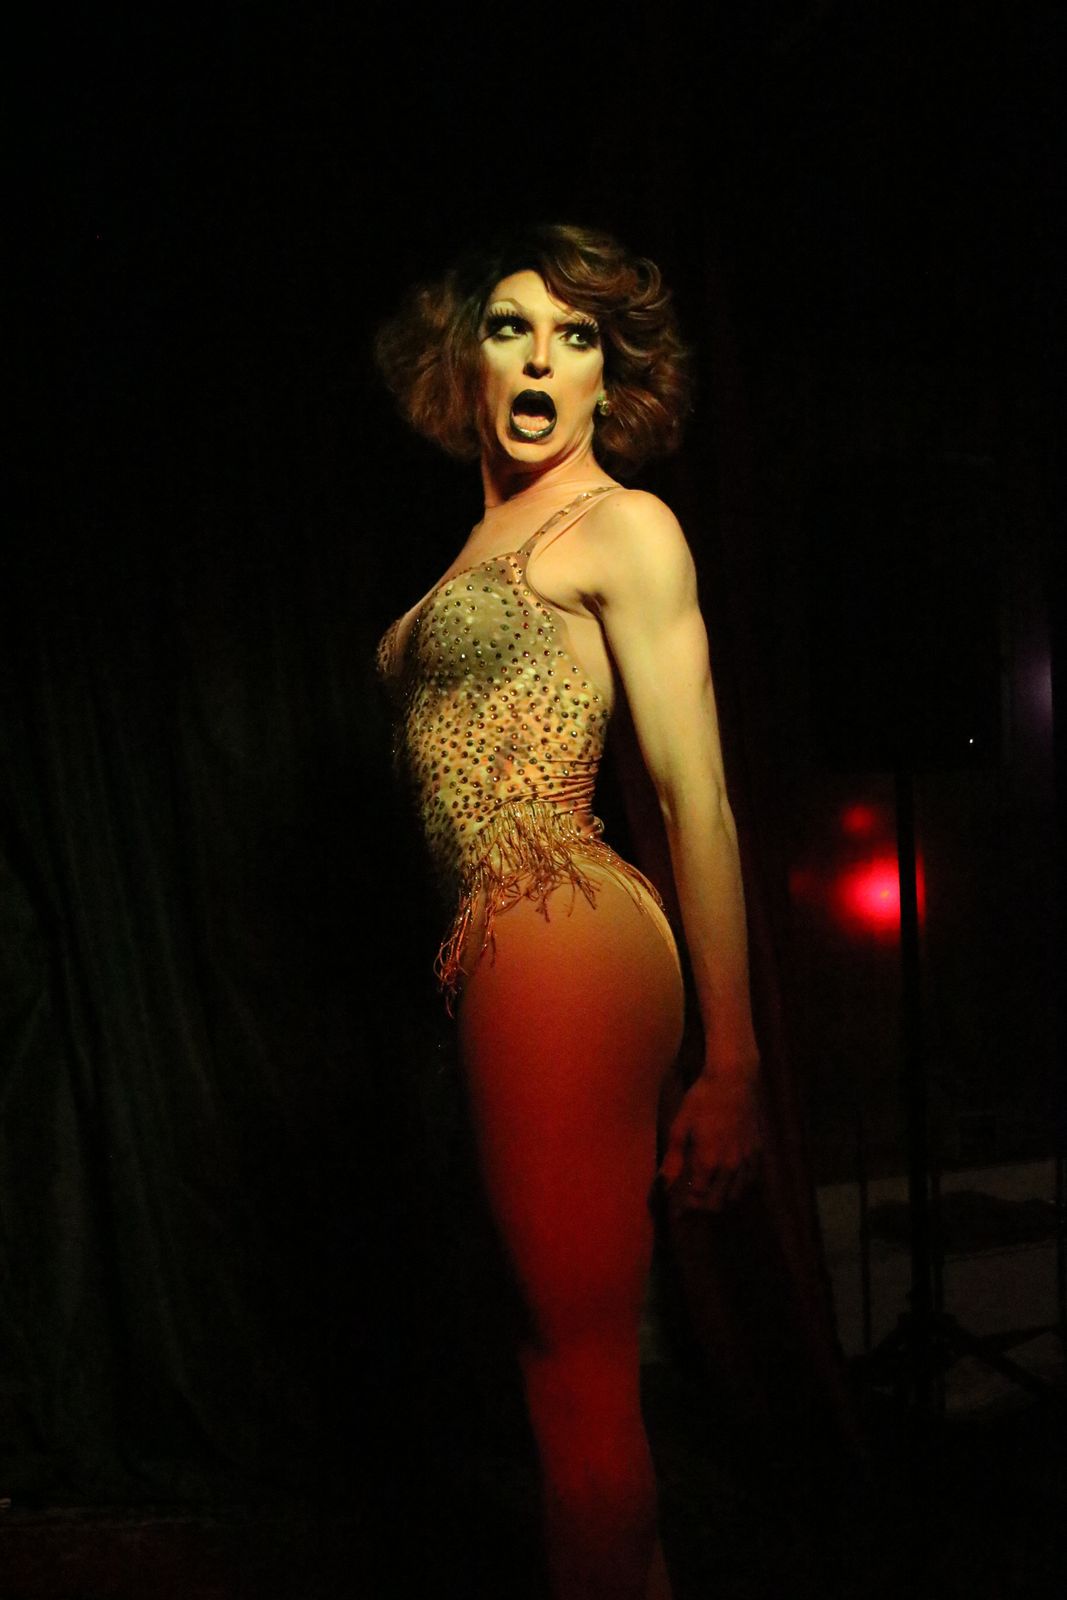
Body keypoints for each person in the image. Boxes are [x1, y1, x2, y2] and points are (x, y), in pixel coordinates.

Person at [374, 223, 761, 1600]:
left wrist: (734, 1060)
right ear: (467, 361)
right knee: (566, 1380)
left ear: (612, 378)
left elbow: (696, 797)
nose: (542, 359)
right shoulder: (484, 543)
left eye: (577, 336)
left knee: (576, 1381)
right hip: (500, 951)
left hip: (556, 920)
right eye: (512, 328)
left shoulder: (622, 526)